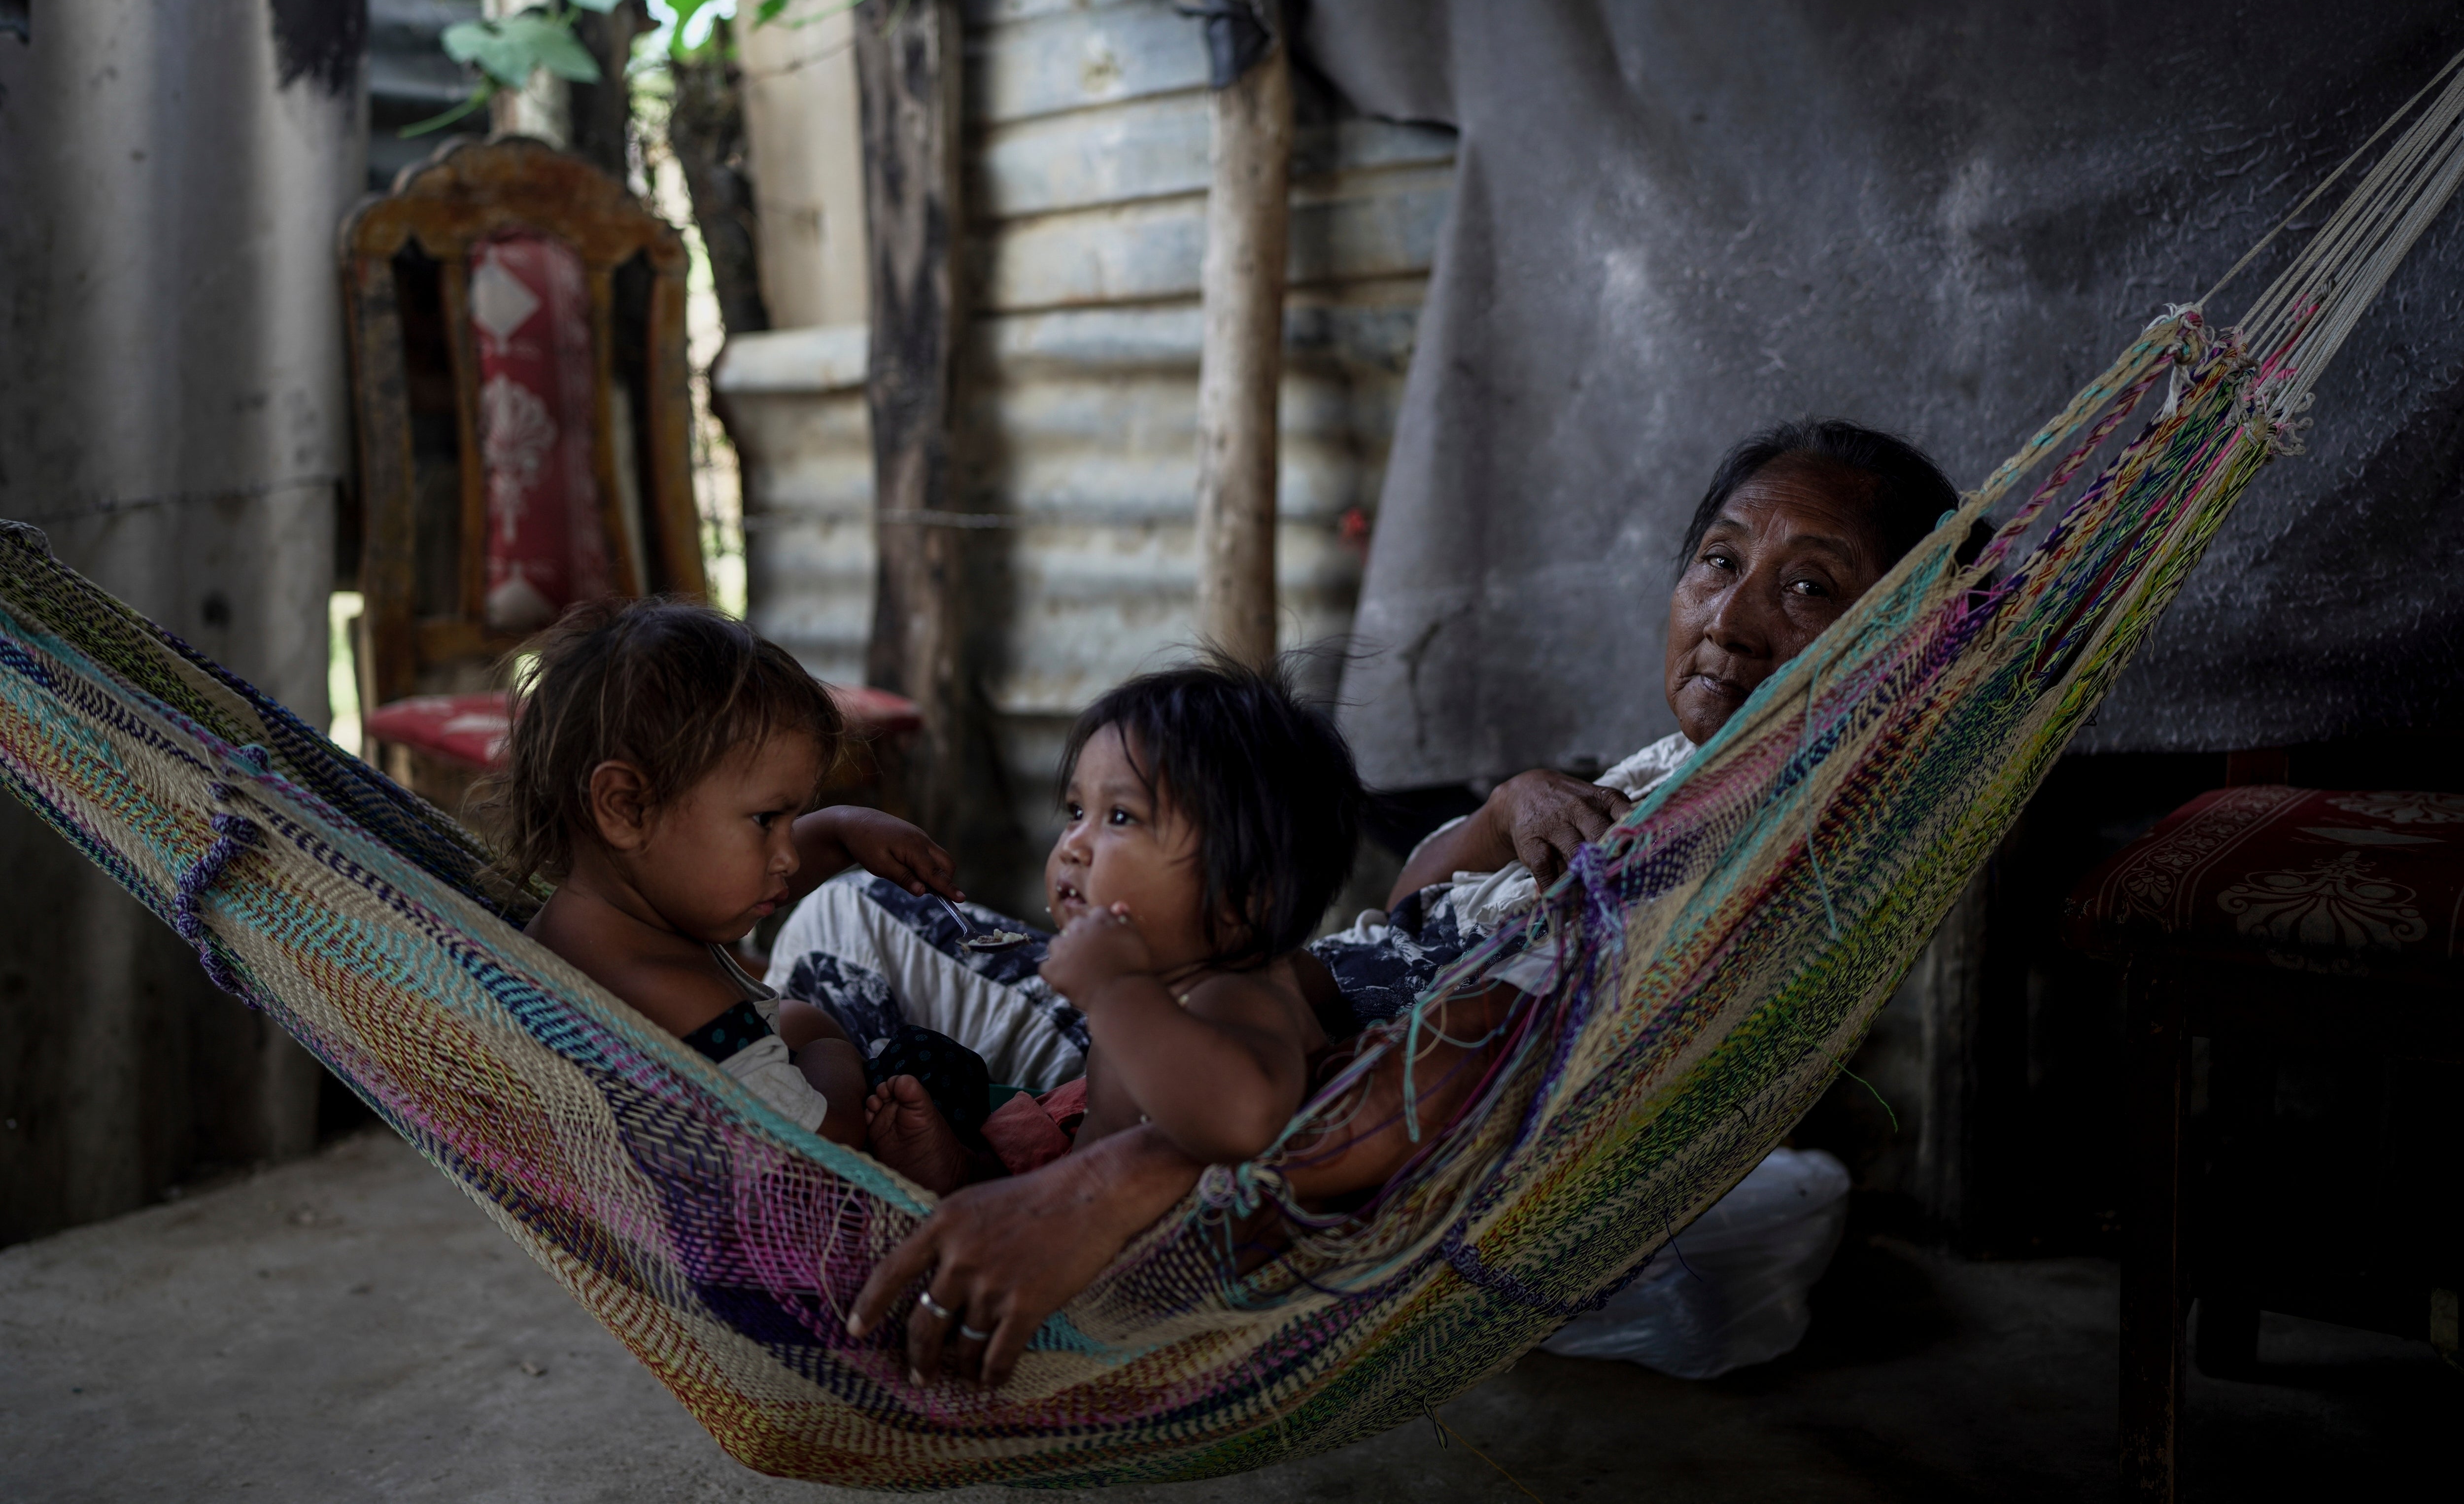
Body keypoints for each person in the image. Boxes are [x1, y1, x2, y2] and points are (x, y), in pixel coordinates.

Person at [821, 419, 1968, 1387]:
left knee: (847, 943)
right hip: (1258, 1013)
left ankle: (968, 1180)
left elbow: (1473, 1072)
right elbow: (1418, 909)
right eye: (1719, 562)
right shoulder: (1667, 766)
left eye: (1810, 586)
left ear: (1900, 642)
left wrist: (1104, 1181)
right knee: (845, 917)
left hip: (1264, 1094)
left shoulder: (1760, 865)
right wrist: (1504, 807)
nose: (1731, 617)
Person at [483, 598, 974, 1182]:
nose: (787, 855)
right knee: (933, 1067)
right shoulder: (677, 996)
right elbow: (821, 1143)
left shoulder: (593, 928)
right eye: (766, 820)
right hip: (808, 1212)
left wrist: (843, 832)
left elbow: (741, 883)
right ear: (625, 807)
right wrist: (828, 1047)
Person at [872, 657, 1366, 1194]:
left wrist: (1113, 989)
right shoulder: (1158, 988)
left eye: (1121, 818)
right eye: (1076, 810)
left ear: (1240, 892)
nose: (1073, 847)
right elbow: (1094, 1153)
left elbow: (1242, 1123)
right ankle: (974, 1176)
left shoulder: (1238, 996)